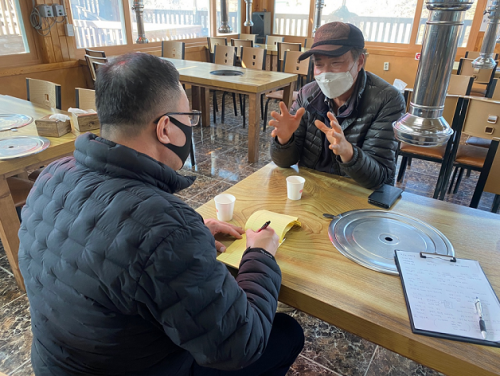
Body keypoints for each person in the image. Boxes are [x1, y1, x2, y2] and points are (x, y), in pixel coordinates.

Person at [18, 53, 304, 376]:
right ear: (166, 128)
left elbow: (111, 245)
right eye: (188, 119)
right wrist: (260, 254)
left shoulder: (50, 175)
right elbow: (241, 344)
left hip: (57, 365)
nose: (190, 127)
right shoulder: (166, 229)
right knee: (286, 334)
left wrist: (188, 238)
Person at [270, 22, 406, 189]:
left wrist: (348, 152)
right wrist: (284, 140)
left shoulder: (387, 100)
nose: (325, 74)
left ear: (360, 61)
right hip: (312, 191)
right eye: (319, 64)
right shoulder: (307, 95)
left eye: (336, 63)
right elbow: (284, 162)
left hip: (357, 195)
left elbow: (381, 178)